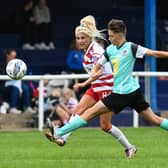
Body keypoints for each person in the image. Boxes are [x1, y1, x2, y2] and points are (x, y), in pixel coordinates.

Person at [46, 18, 168, 155]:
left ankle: (59, 132)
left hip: (121, 93)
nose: (108, 39)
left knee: (91, 114)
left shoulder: (132, 47)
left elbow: (154, 53)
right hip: (130, 92)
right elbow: (98, 65)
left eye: (110, 36)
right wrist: (89, 78)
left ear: (119, 34)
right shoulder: (110, 50)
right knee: (153, 120)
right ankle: (60, 134)